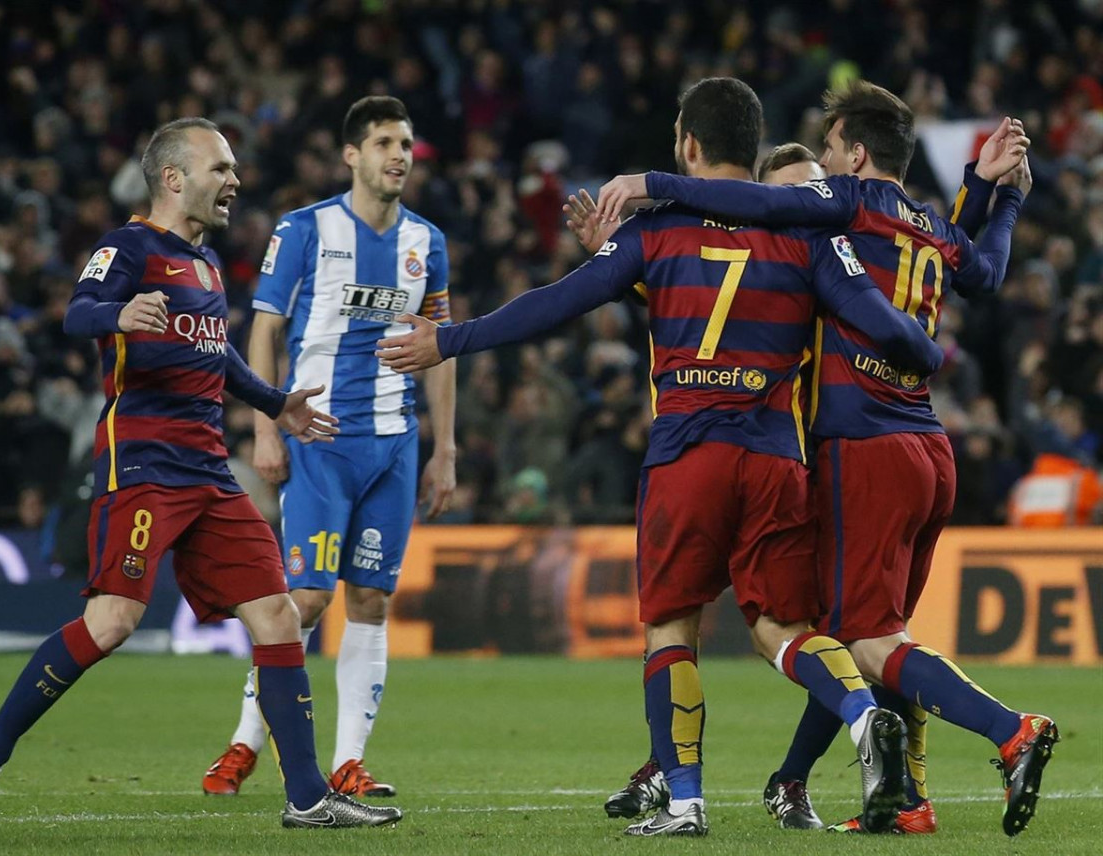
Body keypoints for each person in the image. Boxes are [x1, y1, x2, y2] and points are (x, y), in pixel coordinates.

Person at [378, 77, 947, 837]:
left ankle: (684, 801)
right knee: (782, 627)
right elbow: (875, 322)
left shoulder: (657, 231)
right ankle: (863, 712)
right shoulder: (806, 235)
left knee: (672, 628)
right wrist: (927, 348)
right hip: (778, 459)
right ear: (753, 146)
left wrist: (450, 338)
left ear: (687, 144)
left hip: (688, 453)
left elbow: (558, 302)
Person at [598, 80, 1056, 838]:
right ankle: (898, 798)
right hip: (925, 445)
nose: (818, 178)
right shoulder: (914, 225)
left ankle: (1008, 733)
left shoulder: (832, 220)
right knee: (873, 635)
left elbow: (741, 217)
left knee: (863, 640)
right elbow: (977, 265)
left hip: (853, 450)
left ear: (856, 155)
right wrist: (997, 193)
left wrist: (649, 185)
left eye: (831, 151)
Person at [0, 117, 401, 831]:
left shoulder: (206, 265)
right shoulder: (127, 248)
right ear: (175, 178)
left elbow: (219, 354)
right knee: (112, 622)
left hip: (209, 470)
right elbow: (77, 314)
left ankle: (308, 797)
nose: (235, 181)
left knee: (278, 615)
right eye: (221, 168)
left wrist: (276, 403)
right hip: (144, 463)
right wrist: (119, 311)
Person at [201, 96, 456, 800]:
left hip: (394, 444)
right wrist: (265, 426)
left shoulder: (427, 242)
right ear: (352, 155)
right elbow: (264, 329)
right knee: (308, 600)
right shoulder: (305, 229)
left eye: (405, 143)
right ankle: (244, 743)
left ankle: (348, 762)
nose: (398, 155)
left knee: (370, 599)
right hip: (319, 438)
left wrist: (445, 449)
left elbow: (440, 347)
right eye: (384, 143)